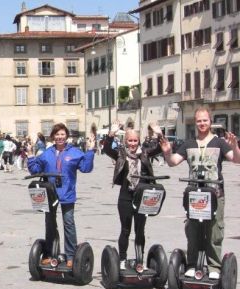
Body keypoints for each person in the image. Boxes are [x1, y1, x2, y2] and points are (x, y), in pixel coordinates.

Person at [160, 107, 240, 279]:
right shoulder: (188, 144)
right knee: (193, 230)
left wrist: (234, 145)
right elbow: (173, 162)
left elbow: (236, 159)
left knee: (214, 231)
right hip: (195, 195)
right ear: (195, 122)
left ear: (210, 121)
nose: (202, 123)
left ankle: (215, 267)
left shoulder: (219, 143)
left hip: (215, 194)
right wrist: (167, 153)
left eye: (205, 120)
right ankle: (192, 263)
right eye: (199, 121)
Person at [26, 123, 95, 266]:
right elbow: (35, 170)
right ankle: (50, 253)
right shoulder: (46, 153)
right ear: (53, 137)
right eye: (57, 134)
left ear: (67, 136)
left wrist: (90, 151)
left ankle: (71, 255)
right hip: (50, 193)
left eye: (62, 134)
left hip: (67, 193)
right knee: (50, 223)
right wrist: (31, 155)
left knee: (68, 223)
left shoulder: (75, 152)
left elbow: (86, 168)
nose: (60, 137)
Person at [103, 121, 162, 267]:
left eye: (135, 140)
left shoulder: (145, 153)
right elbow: (106, 149)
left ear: (139, 141)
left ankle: (139, 259)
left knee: (140, 230)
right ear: (125, 141)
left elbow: (161, 147)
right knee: (125, 229)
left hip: (142, 196)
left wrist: (159, 133)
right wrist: (111, 134)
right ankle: (122, 259)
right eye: (130, 140)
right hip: (125, 196)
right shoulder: (120, 154)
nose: (133, 143)